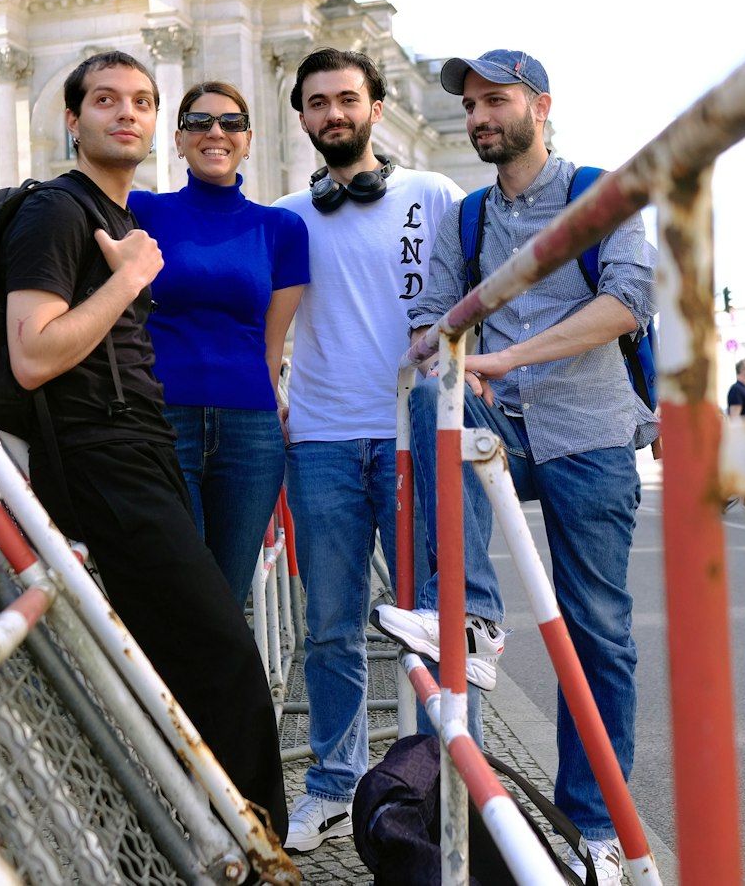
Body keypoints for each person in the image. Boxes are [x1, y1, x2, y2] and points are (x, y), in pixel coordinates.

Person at [380, 49, 658, 884]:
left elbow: (627, 303)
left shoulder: (599, 193)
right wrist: (440, 346)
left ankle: (595, 824)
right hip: (497, 419)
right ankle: (474, 616)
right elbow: (431, 318)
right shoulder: (465, 219)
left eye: (495, 100)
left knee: (597, 628)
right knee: (434, 396)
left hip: (588, 428)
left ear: (542, 105)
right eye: (469, 104)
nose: (479, 116)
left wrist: (505, 358)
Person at [0, 50, 286, 842]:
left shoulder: (122, 218)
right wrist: (128, 281)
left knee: (181, 649)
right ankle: (248, 843)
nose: (125, 113)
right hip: (102, 453)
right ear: (72, 118)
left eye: (141, 100)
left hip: (141, 443)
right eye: (104, 100)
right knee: (221, 648)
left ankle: (169, 831)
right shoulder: (59, 212)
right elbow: (33, 355)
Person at [273, 47, 461, 853]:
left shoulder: (433, 194)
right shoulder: (286, 215)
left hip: (412, 440)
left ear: (376, 108)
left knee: (434, 623)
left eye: (347, 98)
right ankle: (333, 783)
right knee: (330, 627)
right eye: (317, 103)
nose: (333, 114)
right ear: (305, 118)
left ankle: (446, 779)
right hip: (318, 440)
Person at [129, 81, 309, 605]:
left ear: (248, 140)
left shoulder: (282, 229)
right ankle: (165, 690)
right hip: (163, 422)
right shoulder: (143, 211)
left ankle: (218, 690)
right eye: (200, 122)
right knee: (177, 589)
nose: (216, 133)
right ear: (179, 139)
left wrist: (271, 401)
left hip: (250, 434)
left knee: (226, 597)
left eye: (231, 124)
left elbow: (271, 346)